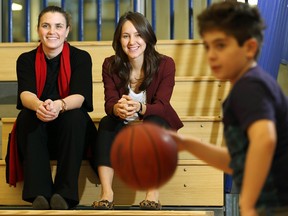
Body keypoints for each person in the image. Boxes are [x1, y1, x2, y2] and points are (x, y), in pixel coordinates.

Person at [169, 2, 288, 216]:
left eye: (221, 45)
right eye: (208, 46)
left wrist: (250, 204)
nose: (211, 55)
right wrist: (188, 144)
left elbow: (264, 140)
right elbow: (239, 161)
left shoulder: (250, 87)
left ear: (249, 48)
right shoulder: (248, 86)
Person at [91, 11, 183, 210]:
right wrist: (117, 108)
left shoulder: (165, 64)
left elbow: (163, 105)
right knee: (107, 123)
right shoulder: (110, 64)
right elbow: (109, 103)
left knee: (154, 120)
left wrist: (141, 107)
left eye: (138, 35)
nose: (132, 41)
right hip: (124, 126)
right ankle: (106, 194)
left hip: (156, 124)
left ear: (147, 37)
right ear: (119, 40)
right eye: (126, 36)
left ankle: (152, 194)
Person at [12, 5, 97, 210]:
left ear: (67, 31)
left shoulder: (81, 57)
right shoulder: (26, 60)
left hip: (70, 133)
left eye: (58, 26)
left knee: (75, 117)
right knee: (26, 116)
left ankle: (64, 195)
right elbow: (25, 95)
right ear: (38, 29)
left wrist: (59, 105)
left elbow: (80, 96)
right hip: (40, 131)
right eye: (46, 25)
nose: (52, 31)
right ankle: (39, 194)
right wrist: (40, 106)